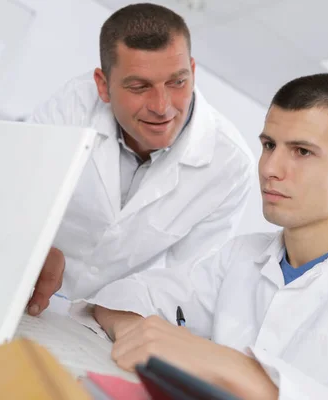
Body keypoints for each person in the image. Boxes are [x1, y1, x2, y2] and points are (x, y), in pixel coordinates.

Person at [87, 73, 328, 399]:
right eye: (269, 145)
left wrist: (246, 376)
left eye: (302, 151)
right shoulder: (239, 256)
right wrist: (141, 331)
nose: (270, 169)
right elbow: (120, 297)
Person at [25, 3, 254, 314]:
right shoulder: (73, 106)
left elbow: (189, 282)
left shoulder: (229, 163)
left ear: (193, 71)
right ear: (103, 86)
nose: (162, 106)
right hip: (24, 285)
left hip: (104, 320)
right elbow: (8, 189)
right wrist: (28, 245)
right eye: (139, 86)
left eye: (177, 82)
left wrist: (123, 313)